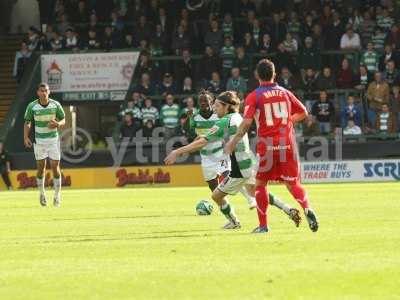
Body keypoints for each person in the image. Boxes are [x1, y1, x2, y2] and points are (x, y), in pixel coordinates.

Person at [165, 91, 301, 229]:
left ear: (226, 106)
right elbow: (203, 138)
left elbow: (203, 142)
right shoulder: (236, 116)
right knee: (257, 191)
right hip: (248, 162)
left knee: (216, 196)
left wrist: (177, 151)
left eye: (217, 106)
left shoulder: (225, 121)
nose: (215, 109)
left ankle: (235, 222)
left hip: (239, 168)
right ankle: (288, 209)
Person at [225, 59, 319, 233]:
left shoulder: (254, 96)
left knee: (260, 184)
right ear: (274, 74)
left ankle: (263, 226)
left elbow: (246, 123)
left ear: (257, 76)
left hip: (267, 145)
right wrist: (286, 121)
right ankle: (307, 208)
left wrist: (233, 141)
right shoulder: (285, 92)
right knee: (293, 184)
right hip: (288, 143)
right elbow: (303, 112)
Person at [24, 83, 65, 207]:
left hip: (53, 140)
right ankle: (42, 194)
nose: (44, 93)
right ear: (38, 92)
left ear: (49, 92)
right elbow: (27, 122)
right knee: (41, 168)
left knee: (54, 167)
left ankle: (57, 195)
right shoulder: (32, 106)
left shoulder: (55, 104)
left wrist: (58, 124)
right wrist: (25, 137)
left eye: (46, 90)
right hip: (40, 142)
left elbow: (63, 119)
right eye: (41, 91)